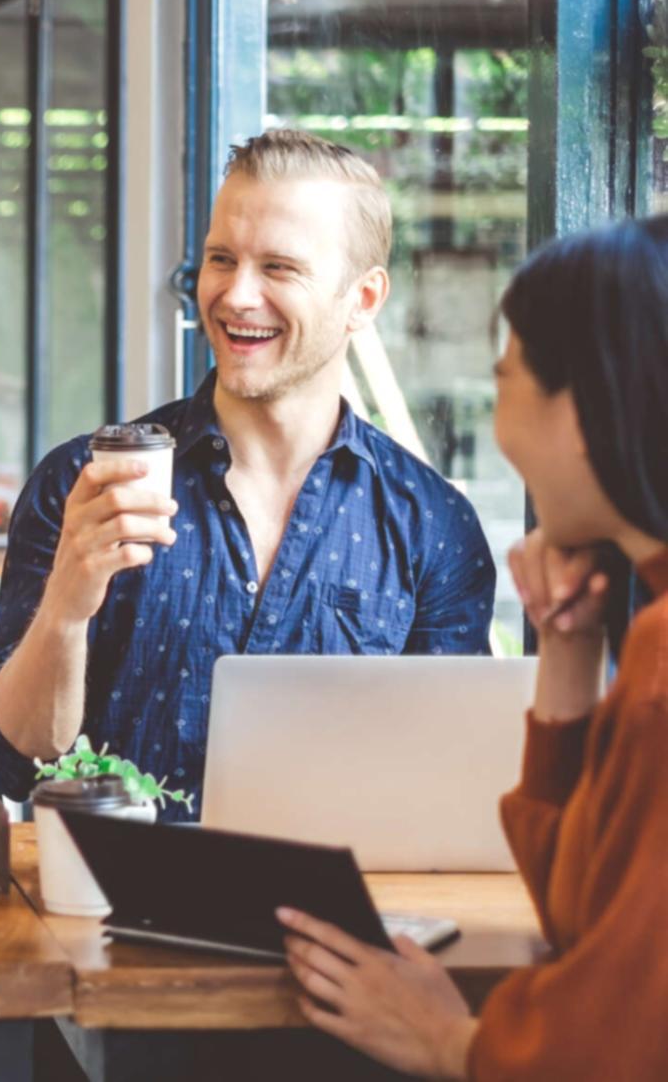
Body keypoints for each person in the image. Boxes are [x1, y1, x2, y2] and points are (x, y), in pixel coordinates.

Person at [0, 129, 495, 815]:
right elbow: (16, 765)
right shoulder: (84, 481)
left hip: (323, 910)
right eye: (222, 259)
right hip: (107, 911)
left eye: (279, 268)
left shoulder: (433, 527)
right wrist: (66, 609)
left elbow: (453, 787)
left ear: (363, 300)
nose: (237, 295)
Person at [278, 217, 668, 1079]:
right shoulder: (642, 640)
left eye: (506, 383)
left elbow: (625, 1036)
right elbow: (586, 914)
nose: (498, 429)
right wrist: (569, 648)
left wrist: (449, 1040)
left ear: (587, 410)